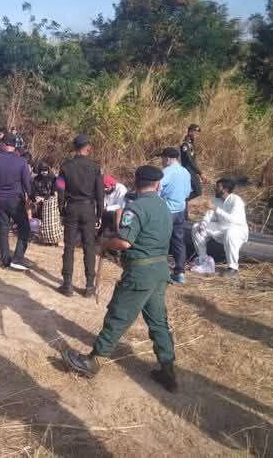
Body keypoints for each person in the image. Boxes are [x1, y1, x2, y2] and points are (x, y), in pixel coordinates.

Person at [62, 165, 177, 390]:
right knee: (158, 321)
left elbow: (124, 242)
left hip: (140, 274)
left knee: (118, 316)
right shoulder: (164, 206)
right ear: (157, 185)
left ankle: (93, 362)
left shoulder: (135, 208)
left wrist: (105, 244)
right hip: (160, 272)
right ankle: (168, 370)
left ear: (136, 182)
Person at [57, 134, 103, 298]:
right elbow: (100, 193)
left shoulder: (65, 167)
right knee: (89, 247)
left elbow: (60, 189)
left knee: (69, 247)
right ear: (88, 148)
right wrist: (99, 214)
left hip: (72, 208)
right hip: (89, 209)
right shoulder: (96, 167)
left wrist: (61, 210)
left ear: (74, 148)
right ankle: (89, 286)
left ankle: (67, 284)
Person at [0, 134, 31, 270]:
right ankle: (17, 258)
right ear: (14, 145)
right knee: (24, 228)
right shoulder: (21, 161)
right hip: (15, 200)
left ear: (4, 145)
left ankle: (5, 260)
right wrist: (31, 197)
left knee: (3, 229)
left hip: (0, 199)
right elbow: (27, 182)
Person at [191, 178, 249, 277]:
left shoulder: (236, 200)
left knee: (230, 232)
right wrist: (204, 223)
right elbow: (209, 214)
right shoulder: (216, 200)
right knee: (196, 227)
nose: (215, 188)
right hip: (221, 227)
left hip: (237, 230)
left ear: (225, 190)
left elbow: (233, 220)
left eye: (218, 187)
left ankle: (233, 268)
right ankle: (203, 261)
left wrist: (216, 209)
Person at [159, 147, 192, 284]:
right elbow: (187, 193)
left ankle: (160, 271)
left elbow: (157, 188)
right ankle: (180, 273)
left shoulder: (166, 172)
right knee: (178, 241)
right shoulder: (185, 172)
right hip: (180, 211)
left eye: (162, 158)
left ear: (167, 158)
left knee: (161, 240)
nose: (162, 161)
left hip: (167, 210)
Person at [32, 162, 62, 246]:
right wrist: (36, 197)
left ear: (48, 170)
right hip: (39, 202)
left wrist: (44, 199)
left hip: (51, 204)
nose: (44, 172)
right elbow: (33, 191)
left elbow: (55, 192)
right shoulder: (36, 180)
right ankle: (44, 238)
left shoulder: (54, 178)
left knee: (53, 222)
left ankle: (55, 239)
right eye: (42, 170)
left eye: (45, 170)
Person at [180, 124, 207, 217]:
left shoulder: (191, 143)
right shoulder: (185, 145)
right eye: (196, 133)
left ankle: (184, 210)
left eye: (198, 134)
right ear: (190, 132)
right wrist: (200, 173)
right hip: (188, 171)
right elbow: (189, 161)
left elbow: (193, 161)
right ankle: (182, 202)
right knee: (197, 190)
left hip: (192, 170)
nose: (197, 135)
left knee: (193, 192)